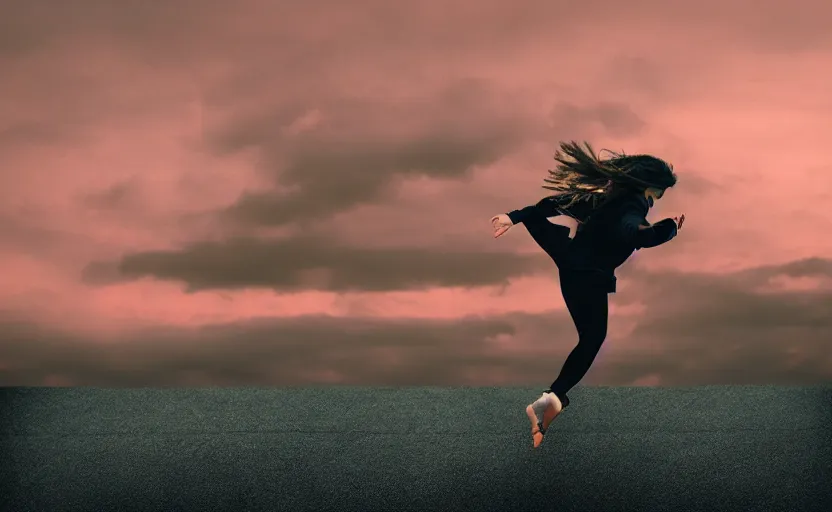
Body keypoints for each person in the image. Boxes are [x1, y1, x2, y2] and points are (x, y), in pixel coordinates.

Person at [490, 141, 685, 448]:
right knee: (593, 339)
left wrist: (512, 216)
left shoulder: (605, 199)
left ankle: (551, 400)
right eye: (660, 191)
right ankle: (550, 399)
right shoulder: (631, 205)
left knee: (590, 338)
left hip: (570, 268)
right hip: (588, 275)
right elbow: (637, 233)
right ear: (649, 186)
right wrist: (669, 228)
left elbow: (554, 205)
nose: (658, 198)